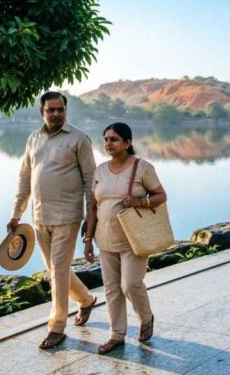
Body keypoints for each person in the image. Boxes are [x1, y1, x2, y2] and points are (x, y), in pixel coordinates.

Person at [8, 91, 98, 349]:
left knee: (58, 271)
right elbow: (25, 179)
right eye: (51, 110)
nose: (56, 114)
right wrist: (16, 212)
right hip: (39, 217)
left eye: (60, 110)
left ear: (66, 111)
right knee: (57, 270)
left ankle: (56, 326)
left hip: (68, 217)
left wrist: (90, 217)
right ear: (42, 112)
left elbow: (90, 182)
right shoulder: (33, 139)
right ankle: (86, 300)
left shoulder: (79, 139)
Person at [83, 122, 167, 354]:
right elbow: (92, 207)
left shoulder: (142, 168)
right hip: (105, 238)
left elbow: (161, 195)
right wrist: (88, 239)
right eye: (106, 139)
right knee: (111, 289)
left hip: (134, 238)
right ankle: (116, 335)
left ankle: (145, 316)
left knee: (130, 284)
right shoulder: (100, 171)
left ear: (128, 143)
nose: (108, 143)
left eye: (114, 139)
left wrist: (140, 202)